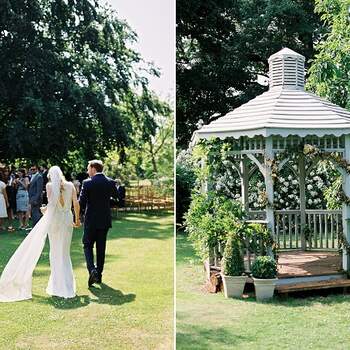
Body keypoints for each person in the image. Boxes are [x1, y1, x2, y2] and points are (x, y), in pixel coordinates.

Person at [0, 166, 81, 302]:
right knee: (64, 252)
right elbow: (76, 204)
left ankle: (57, 286)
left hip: (55, 220)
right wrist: (77, 220)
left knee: (55, 252)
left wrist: (44, 210)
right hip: (67, 219)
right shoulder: (70, 185)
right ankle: (67, 286)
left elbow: (51, 206)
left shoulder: (50, 186)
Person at [79, 160, 118, 287]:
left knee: (87, 245)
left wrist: (77, 215)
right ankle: (99, 275)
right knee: (101, 248)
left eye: (88, 168)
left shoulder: (87, 183)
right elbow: (116, 198)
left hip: (91, 220)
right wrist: (105, 204)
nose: (87, 171)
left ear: (93, 169)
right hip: (105, 220)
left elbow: (82, 202)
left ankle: (92, 270)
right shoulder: (110, 182)